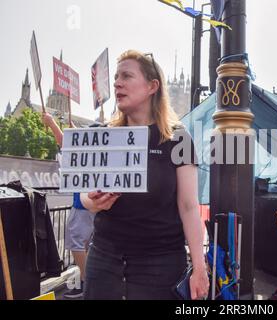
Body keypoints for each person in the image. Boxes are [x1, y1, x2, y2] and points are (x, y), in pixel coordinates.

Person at [80, 50, 210, 300]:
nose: (117, 82)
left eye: (127, 76)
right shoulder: (103, 134)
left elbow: (188, 206)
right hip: (104, 261)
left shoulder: (178, 139)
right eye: (117, 76)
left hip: (160, 266)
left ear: (152, 86)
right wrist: (93, 202)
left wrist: (199, 267)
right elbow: (84, 196)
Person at [41, 112, 94, 299]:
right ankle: (88, 282)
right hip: (94, 204)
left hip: (83, 204)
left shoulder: (82, 153)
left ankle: (88, 284)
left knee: (76, 243)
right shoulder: (97, 152)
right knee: (86, 245)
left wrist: (51, 122)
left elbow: (64, 142)